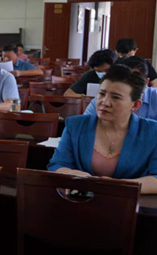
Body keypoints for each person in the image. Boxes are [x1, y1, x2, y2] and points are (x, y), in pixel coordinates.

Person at [48, 64, 157, 193]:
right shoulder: (76, 125)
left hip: (130, 202)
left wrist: (116, 186)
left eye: (116, 97)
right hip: (80, 200)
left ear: (135, 105)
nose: (105, 102)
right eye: (102, 94)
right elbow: (58, 164)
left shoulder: (152, 131)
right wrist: (72, 175)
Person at [83, 56, 157, 120]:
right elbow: (85, 124)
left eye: (134, 80)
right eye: (122, 78)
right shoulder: (104, 97)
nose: (126, 83)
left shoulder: (155, 97)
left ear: (146, 82)